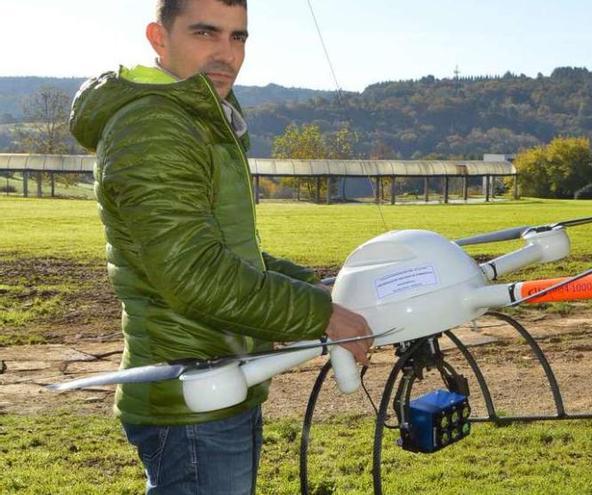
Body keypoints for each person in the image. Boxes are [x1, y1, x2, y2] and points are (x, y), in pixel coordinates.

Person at [68, 0, 373, 493]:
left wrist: (312, 285)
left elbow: (230, 252)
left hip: (220, 380)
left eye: (238, 38)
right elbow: (195, 274)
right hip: (192, 396)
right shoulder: (155, 126)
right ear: (158, 37)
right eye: (206, 33)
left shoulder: (195, 120)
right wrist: (318, 313)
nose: (226, 54)